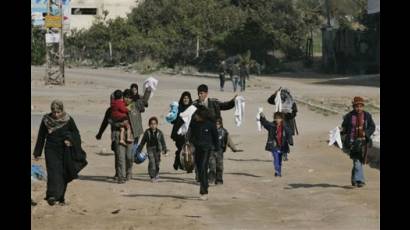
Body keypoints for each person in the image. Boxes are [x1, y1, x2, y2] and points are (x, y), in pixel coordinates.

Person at [33, 100, 87, 206]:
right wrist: (37, 152)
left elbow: (76, 133)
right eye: (54, 112)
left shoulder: (68, 119)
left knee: (63, 173)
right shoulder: (46, 120)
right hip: (51, 149)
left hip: (64, 150)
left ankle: (61, 197)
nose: (56, 115)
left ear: (62, 110)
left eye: (58, 112)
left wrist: (70, 140)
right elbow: (41, 136)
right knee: (53, 172)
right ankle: (52, 196)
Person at [96, 85, 151, 182]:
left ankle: (128, 173)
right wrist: (100, 133)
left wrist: (148, 91)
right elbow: (106, 121)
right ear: (122, 97)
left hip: (131, 135)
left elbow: (144, 101)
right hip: (117, 134)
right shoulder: (113, 109)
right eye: (126, 97)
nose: (127, 99)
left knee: (129, 157)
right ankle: (120, 176)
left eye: (130, 97)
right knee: (120, 156)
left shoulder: (134, 106)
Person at [193, 84, 242, 153]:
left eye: (201, 93)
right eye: (198, 93)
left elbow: (226, 105)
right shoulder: (195, 105)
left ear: (206, 93)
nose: (199, 95)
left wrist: (233, 101)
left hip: (216, 129)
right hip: (202, 132)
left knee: (224, 132)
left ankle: (233, 147)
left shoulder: (214, 102)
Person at [341, 96, 375, 188]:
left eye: (360, 106)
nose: (359, 108)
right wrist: (343, 133)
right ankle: (360, 180)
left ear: (363, 106)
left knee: (359, 161)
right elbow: (344, 127)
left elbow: (372, 127)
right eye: (357, 106)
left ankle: (354, 179)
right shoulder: (349, 116)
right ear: (353, 107)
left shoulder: (367, 115)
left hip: (363, 142)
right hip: (352, 142)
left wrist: (366, 133)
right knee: (356, 161)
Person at [188, 105, 220, 200]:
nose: (195, 117)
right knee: (199, 169)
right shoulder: (193, 123)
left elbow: (215, 137)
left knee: (203, 167)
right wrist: (190, 143)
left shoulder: (210, 124)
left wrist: (217, 149)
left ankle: (204, 191)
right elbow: (190, 135)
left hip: (207, 149)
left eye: (197, 115)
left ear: (202, 115)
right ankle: (205, 184)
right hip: (197, 148)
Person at [267, 88, 298, 161]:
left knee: (285, 138)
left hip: (287, 121)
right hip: (279, 121)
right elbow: (270, 101)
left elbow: (294, 112)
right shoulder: (279, 101)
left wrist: (287, 115)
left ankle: (284, 154)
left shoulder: (291, 101)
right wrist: (275, 94)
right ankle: (280, 152)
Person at [259, 111, 293, 177]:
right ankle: (277, 171)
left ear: (282, 119)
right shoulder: (272, 126)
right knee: (276, 158)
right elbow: (265, 123)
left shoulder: (285, 126)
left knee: (280, 160)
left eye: (279, 118)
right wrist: (262, 117)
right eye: (276, 118)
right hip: (274, 145)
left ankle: (279, 172)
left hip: (282, 146)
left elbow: (289, 133)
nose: (277, 120)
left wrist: (290, 141)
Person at [137, 117, 168, 182]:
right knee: (152, 162)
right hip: (150, 149)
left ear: (157, 125)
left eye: (154, 124)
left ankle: (156, 174)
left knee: (157, 163)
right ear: (149, 125)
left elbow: (163, 142)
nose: (153, 125)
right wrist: (139, 149)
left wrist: (164, 149)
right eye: (151, 124)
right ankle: (152, 176)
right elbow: (143, 142)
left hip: (157, 149)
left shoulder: (160, 132)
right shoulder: (147, 132)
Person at [170, 91, 193, 170]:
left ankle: (189, 166)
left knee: (190, 150)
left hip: (190, 132)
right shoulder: (178, 108)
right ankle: (177, 161)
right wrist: (172, 115)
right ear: (182, 99)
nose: (186, 100)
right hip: (179, 133)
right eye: (184, 98)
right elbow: (172, 120)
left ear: (189, 99)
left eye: (187, 98)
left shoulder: (192, 108)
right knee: (181, 148)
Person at [208, 117, 228, 185]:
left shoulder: (224, 131)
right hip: (211, 151)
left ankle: (219, 180)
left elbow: (228, 141)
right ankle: (211, 179)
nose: (217, 125)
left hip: (220, 151)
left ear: (221, 124)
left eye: (218, 124)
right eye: (215, 124)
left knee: (220, 166)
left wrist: (233, 148)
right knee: (212, 166)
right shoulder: (210, 131)